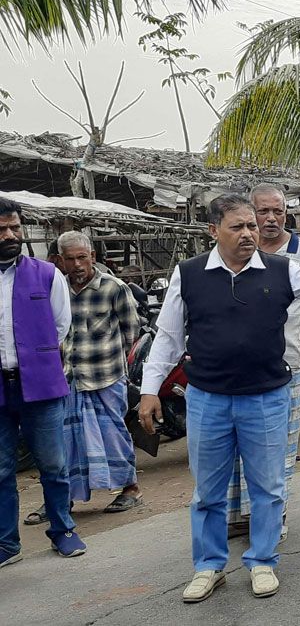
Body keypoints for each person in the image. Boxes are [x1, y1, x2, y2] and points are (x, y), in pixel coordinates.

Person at [136, 194, 300, 602]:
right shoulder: (188, 274)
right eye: (237, 227)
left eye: (251, 226)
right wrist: (149, 390)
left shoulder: (281, 269)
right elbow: (169, 338)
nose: (248, 234)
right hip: (207, 398)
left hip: (266, 397)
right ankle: (209, 566)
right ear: (213, 231)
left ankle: (262, 561)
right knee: (208, 490)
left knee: (268, 486)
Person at [227, 183, 300, 540]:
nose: (271, 219)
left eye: (278, 211)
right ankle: (240, 514)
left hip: (288, 361)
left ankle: (273, 514)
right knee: (239, 439)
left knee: (280, 444)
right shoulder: (235, 251)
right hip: (240, 363)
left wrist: (298, 341)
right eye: (263, 211)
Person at [0, 197, 86, 567]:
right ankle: (7, 544)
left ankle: (63, 530)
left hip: (42, 385)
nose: (10, 235)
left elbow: (60, 326)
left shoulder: (46, 274)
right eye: (2, 229)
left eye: (15, 227)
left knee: (53, 463)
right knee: (1, 469)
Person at [53, 232, 142, 518]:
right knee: (67, 440)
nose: (77, 264)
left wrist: (118, 365)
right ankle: (63, 497)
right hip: (69, 378)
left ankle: (130, 489)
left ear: (93, 257)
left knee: (114, 435)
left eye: (82, 257)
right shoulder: (57, 291)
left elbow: (132, 331)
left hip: (106, 376)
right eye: (70, 259)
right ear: (60, 261)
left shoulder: (114, 287)